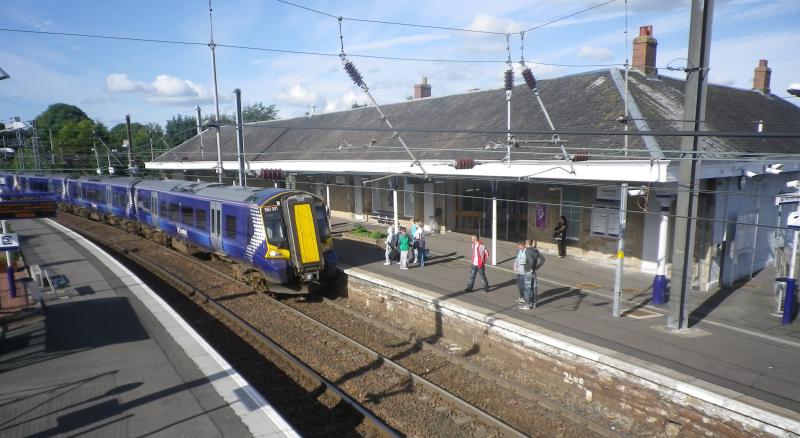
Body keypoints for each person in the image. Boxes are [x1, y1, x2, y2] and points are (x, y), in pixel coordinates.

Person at [520, 239, 544, 310]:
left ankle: (527, 305)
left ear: (527, 244)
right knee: (534, 288)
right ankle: (534, 303)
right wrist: (537, 266)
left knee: (527, 288)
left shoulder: (528, 250)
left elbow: (531, 261)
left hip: (528, 271)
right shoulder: (536, 250)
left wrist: (530, 268)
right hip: (534, 272)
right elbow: (543, 259)